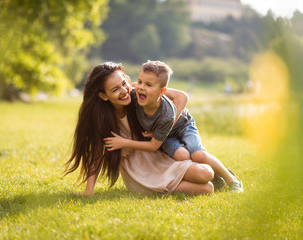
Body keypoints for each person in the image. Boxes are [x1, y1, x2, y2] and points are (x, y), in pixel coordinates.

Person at [64, 62, 216, 196]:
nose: (124, 91)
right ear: (104, 96)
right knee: (208, 188)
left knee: (206, 173)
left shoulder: (138, 96)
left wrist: (167, 126)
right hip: (138, 172)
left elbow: (180, 96)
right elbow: (97, 154)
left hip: (158, 157)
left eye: (124, 83)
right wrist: (89, 191)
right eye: (115, 89)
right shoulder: (102, 120)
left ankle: (220, 176)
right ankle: (177, 184)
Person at [104, 60, 243, 193]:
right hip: (164, 134)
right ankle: (208, 176)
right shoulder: (134, 92)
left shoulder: (166, 114)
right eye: (140, 82)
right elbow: (129, 88)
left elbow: (154, 145)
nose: (141, 87)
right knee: (182, 156)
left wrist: (124, 142)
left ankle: (231, 179)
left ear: (161, 92)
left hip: (183, 125)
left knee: (198, 154)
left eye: (148, 85)